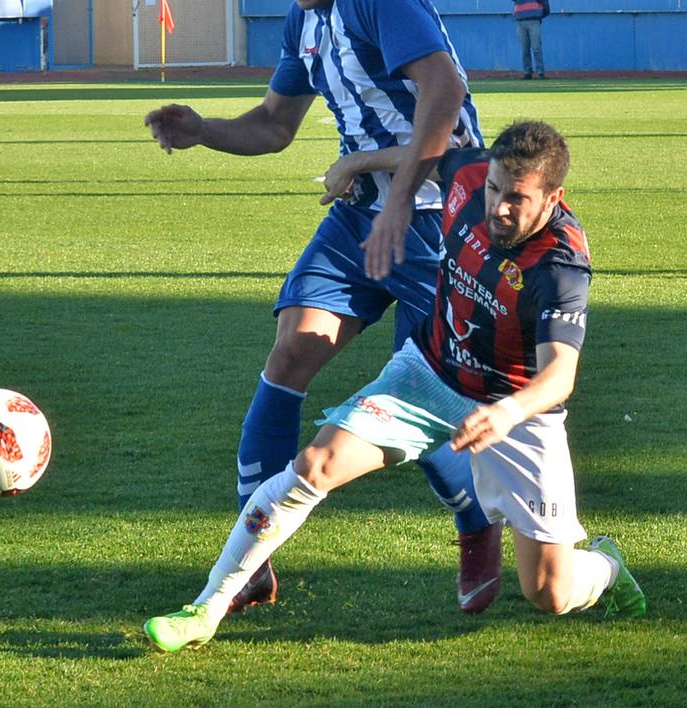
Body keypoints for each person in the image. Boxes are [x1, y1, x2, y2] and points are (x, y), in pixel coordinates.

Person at [143, 120, 647, 653]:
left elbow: (559, 375)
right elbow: (423, 153)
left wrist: (506, 413)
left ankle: (607, 566)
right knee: (314, 466)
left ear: (553, 197)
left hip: (514, 412)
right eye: (495, 189)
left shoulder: (561, 266)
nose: (498, 206)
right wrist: (356, 164)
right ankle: (206, 607)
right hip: (427, 373)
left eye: (516, 199)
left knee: (550, 591)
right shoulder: (471, 172)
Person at [143, 0, 501, 617]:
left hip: (437, 217)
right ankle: (249, 565)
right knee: (289, 354)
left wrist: (399, 196)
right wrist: (203, 128)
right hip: (362, 213)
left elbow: (444, 88)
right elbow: (275, 125)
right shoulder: (303, 21)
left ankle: (476, 523)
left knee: (419, 400)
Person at [509, 0, 550, 80]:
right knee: (525, 49)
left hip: (534, 21)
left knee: (536, 47)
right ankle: (528, 72)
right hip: (521, 22)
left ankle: (541, 72)